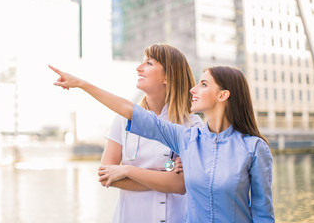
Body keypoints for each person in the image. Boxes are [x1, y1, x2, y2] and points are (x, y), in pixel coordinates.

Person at [49, 65, 275, 222]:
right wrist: (82, 84)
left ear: (223, 95)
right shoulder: (186, 139)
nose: (193, 90)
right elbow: (132, 112)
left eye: (203, 84)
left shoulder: (254, 148)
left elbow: (263, 214)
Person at [99, 44, 203, 223]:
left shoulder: (192, 125)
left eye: (149, 63)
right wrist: (165, 179)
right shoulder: (123, 120)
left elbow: (180, 185)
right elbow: (105, 176)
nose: (138, 68)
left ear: (168, 76)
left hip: (176, 218)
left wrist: (127, 170)